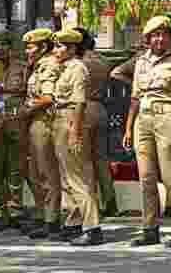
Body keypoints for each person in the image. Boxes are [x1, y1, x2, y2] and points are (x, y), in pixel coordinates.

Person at [113, 16, 171, 248]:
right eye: (154, 35)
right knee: (146, 177)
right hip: (143, 120)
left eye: (164, 34)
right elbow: (135, 97)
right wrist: (128, 127)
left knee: (170, 176)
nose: (159, 39)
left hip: (167, 115)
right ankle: (150, 228)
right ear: (148, 39)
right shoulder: (141, 62)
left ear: (170, 37)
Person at [51, 29, 103, 246]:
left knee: (76, 178)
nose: (55, 51)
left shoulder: (77, 69)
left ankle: (92, 227)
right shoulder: (63, 68)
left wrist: (75, 131)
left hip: (69, 121)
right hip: (59, 120)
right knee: (66, 177)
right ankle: (74, 222)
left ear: (72, 48)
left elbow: (79, 102)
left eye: (59, 46)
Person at [0, 32, 33, 231]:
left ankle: (15, 209)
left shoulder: (22, 67)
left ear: (10, 46)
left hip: (17, 118)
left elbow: (30, 94)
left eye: (3, 44)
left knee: (16, 166)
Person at [23, 28, 64, 240]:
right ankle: (44, 216)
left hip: (44, 122)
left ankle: (52, 220)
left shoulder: (48, 65)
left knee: (47, 174)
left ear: (43, 47)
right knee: (36, 173)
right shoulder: (38, 66)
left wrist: (27, 109)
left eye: (30, 46)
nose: (27, 51)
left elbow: (48, 98)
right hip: (36, 121)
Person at [74, 27, 118, 219]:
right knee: (101, 159)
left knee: (84, 161)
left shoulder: (78, 63)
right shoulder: (103, 61)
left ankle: (90, 205)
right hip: (101, 108)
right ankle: (110, 201)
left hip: (82, 109)